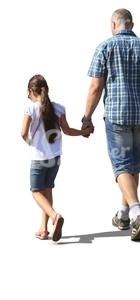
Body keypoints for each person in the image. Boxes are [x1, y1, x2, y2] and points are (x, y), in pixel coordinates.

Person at [81, 8, 140, 241]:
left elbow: (95, 87)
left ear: (114, 24)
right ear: (131, 25)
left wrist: (86, 117)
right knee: (133, 166)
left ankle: (137, 212)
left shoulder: (105, 47)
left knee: (121, 166)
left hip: (117, 116)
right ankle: (123, 215)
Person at [21, 74, 94, 242]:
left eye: (28, 94)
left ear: (32, 91)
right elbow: (67, 131)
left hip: (39, 158)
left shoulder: (30, 109)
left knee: (35, 191)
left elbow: (23, 133)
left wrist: (32, 144)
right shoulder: (59, 108)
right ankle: (43, 229)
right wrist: (84, 132)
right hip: (55, 158)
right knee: (47, 190)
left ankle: (54, 216)